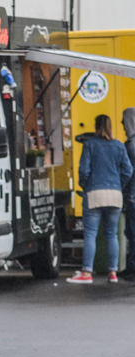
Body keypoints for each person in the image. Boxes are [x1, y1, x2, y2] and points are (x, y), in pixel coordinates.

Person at [68, 114, 134, 285]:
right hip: (115, 195)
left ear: (96, 127)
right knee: (112, 234)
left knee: (91, 234)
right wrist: (118, 184)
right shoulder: (119, 146)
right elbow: (128, 170)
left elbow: (84, 171)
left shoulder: (90, 145)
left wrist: (85, 185)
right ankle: (113, 272)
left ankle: (87, 273)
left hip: (94, 194)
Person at [122, 107, 135, 280]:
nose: (122, 124)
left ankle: (133, 267)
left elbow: (129, 172)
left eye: (124, 121)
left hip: (133, 197)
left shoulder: (131, 145)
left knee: (132, 232)